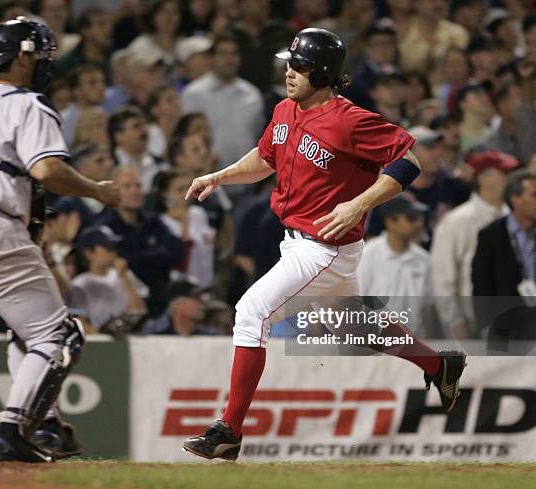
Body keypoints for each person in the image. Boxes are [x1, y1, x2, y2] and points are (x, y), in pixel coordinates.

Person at [181, 28, 467, 462]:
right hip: (298, 243)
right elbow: (264, 158)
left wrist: (360, 202)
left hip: (325, 247)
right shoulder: (284, 109)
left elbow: (408, 160)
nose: (289, 72)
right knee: (350, 324)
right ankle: (438, 364)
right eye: (289, 63)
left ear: (322, 72)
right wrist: (218, 176)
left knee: (251, 311)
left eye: (298, 66)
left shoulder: (349, 119)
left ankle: (229, 431)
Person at [0, 18, 119, 463]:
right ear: (23, 56)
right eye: (42, 55)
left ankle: (48, 425)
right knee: (61, 335)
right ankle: (12, 428)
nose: (45, 64)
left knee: (26, 329)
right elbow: (47, 170)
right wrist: (96, 190)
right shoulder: (29, 104)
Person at [430, 151, 518, 339]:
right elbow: (443, 279)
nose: (511, 179)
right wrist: (456, 324)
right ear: (483, 178)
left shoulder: (515, 217)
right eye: (505, 173)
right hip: (473, 324)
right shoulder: (458, 221)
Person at [96, 166, 183, 317]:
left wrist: (135, 259)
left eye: (138, 186)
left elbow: (176, 252)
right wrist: (158, 257)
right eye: (127, 186)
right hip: (122, 305)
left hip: (160, 301)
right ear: (113, 190)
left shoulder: (153, 221)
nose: (134, 191)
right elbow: (115, 263)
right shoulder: (103, 227)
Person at [181, 32, 265, 175]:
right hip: (209, 179)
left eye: (234, 54)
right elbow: (186, 138)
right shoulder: (194, 94)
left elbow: (258, 135)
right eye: (223, 54)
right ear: (212, 59)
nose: (229, 59)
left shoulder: (252, 94)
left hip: (248, 180)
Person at [472, 169, 536, 338]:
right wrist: (486, 325)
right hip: (506, 326)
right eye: (534, 195)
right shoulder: (491, 235)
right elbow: (482, 285)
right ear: (515, 199)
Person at [358, 197, 433, 337]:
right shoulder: (368, 254)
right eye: (411, 218)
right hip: (375, 340)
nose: (418, 223)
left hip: (414, 340)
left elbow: (426, 307)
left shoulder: (424, 259)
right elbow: (357, 301)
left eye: (419, 218)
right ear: (390, 222)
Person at [68, 225, 148, 330]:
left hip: (128, 338)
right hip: (97, 342)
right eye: (108, 248)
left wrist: (124, 277)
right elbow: (80, 322)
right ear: (89, 253)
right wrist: (105, 342)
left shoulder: (126, 275)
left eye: (114, 248)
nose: (113, 253)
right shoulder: (80, 284)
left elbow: (140, 311)